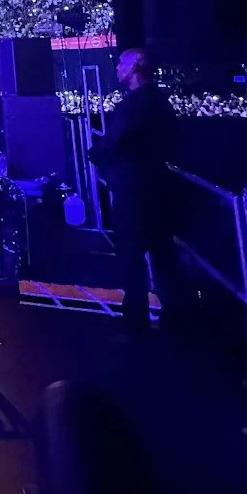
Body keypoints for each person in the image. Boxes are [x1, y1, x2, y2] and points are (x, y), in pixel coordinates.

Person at [89, 48, 186, 334]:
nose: (117, 67)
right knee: (162, 255)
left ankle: (135, 324)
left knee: (132, 257)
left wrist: (94, 155)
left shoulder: (136, 104)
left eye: (121, 62)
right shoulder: (157, 101)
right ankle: (176, 319)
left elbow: (115, 142)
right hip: (156, 186)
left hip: (134, 191)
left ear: (135, 68)